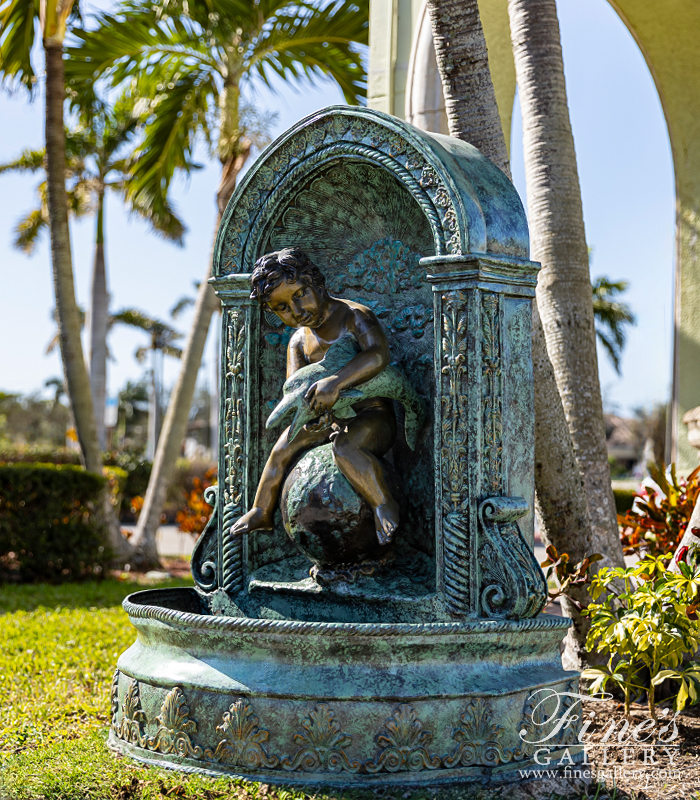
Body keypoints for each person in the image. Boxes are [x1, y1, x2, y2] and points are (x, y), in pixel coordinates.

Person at [231, 247, 400, 545]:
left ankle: (382, 503)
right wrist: (309, 421)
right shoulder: (298, 341)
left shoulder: (354, 316)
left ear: (316, 283)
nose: (296, 311)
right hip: (326, 420)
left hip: (372, 415)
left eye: (300, 294)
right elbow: (294, 388)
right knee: (281, 449)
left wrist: (336, 382)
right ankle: (261, 509)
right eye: (282, 307)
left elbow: (378, 355)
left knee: (346, 449)